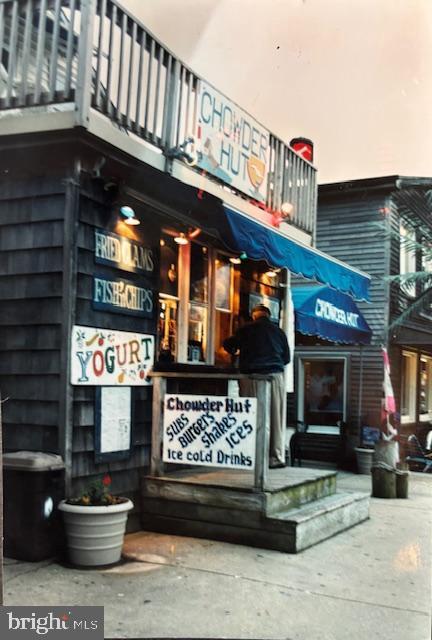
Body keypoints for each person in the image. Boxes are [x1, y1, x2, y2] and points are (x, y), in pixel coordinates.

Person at [223, 304, 290, 468]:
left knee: (251, 416)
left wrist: (237, 351)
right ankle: (275, 457)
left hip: (252, 376)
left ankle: (252, 455)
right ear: (268, 315)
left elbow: (228, 345)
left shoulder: (245, 330)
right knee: (275, 417)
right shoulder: (279, 332)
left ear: (254, 315)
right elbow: (286, 358)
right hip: (274, 376)